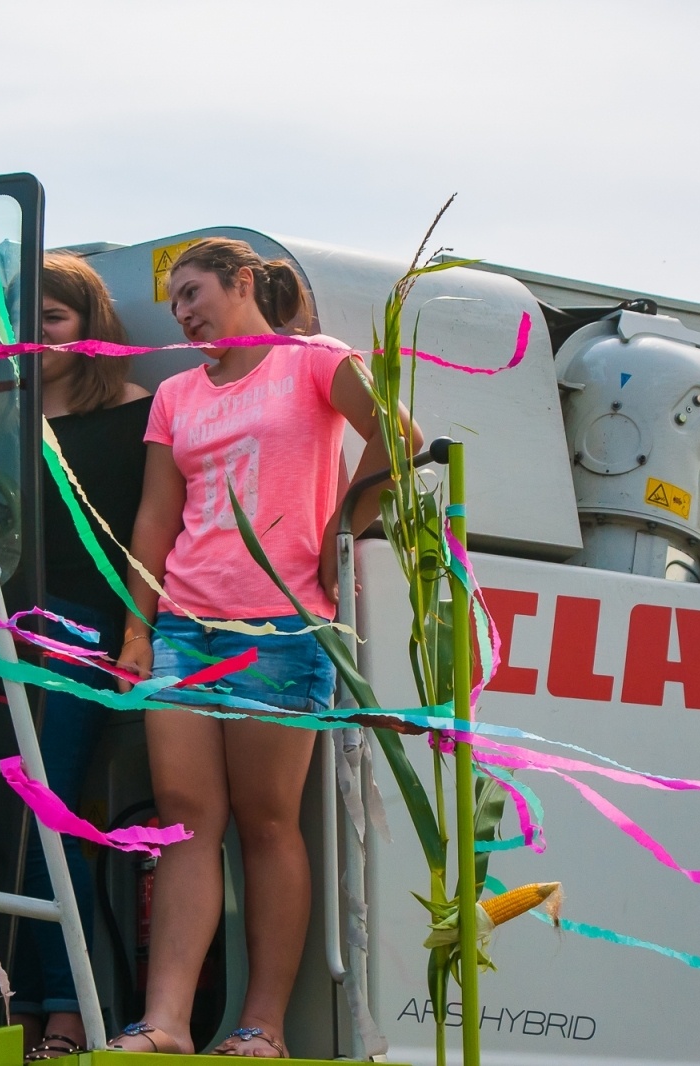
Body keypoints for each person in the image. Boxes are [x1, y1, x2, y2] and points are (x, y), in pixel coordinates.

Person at [108, 239, 419, 1057]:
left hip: (281, 627)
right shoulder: (175, 395)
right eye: (174, 301)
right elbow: (153, 517)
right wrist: (136, 628)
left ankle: (263, 1027)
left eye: (193, 292)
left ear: (244, 283)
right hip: (182, 625)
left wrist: (341, 533)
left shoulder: (313, 360)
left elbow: (401, 438)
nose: (182, 312)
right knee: (184, 823)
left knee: (267, 823)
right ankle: (166, 1023)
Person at [10, 252, 149, 1061]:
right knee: (6, 823)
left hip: (75, 628)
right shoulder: (0, 415)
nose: (37, 338)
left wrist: (135, 632)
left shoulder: (135, 415)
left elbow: (149, 539)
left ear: (90, 325)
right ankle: (25, 1008)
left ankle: (69, 1016)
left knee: (52, 811)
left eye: (53, 320)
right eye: (24, 324)